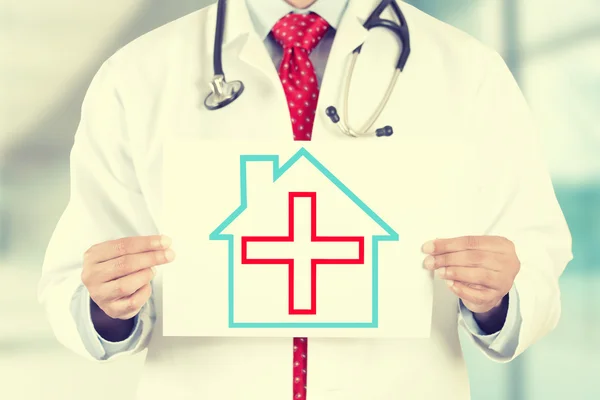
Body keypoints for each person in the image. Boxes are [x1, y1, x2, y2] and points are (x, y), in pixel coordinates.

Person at [38, 0, 573, 399]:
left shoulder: (468, 72)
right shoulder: (137, 76)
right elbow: (77, 275)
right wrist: (107, 305)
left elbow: (534, 253)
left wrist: (500, 295)